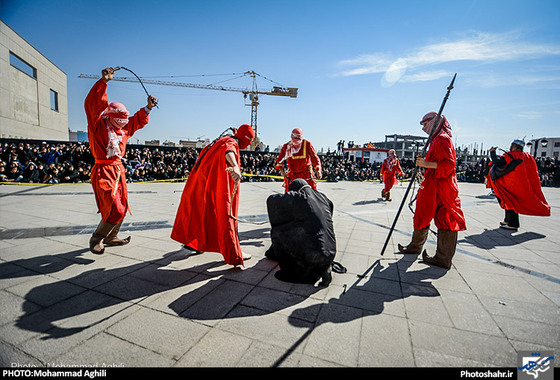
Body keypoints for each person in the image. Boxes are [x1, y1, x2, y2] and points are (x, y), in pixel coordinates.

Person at [85, 67, 157, 254]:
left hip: (118, 171)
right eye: (120, 120)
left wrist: (148, 107)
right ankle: (97, 238)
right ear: (110, 117)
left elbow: (136, 121)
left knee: (122, 206)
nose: (124, 123)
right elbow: (93, 105)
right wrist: (104, 82)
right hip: (104, 171)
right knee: (115, 207)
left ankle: (111, 236)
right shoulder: (97, 126)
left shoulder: (123, 128)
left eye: (125, 120)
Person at [171, 124, 255, 267]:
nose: (249, 145)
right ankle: (234, 252)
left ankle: (194, 243)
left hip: (199, 185)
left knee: (200, 214)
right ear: (246, 138)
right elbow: (229, 150)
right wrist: (235, 166)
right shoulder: (231, 142)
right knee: (225, 216)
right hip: (212, 186)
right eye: (250, 141)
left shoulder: (220, 140)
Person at [398, 112, 466, 269]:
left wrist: (426, 164)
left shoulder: (442, 138)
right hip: (433, 184)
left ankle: (443, 258)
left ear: (434, 122)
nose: (423, 128)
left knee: (445, 218)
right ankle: (416, 247)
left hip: (440, 185)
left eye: (425, 124)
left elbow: (449, 165)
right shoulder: (436, 139)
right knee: (423, 213)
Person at [265, 178, 339, 285]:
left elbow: (271, 199)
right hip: (330, 252)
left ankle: (314, 267)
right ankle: (324, 266)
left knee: (280, 231)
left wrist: (290, 195)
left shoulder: (299, 197)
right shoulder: (323, 197)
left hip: (312, 255)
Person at [487, 140, 550, 230]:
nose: (510, 146)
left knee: (510, 201)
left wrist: (492, 152)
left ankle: (513, 223)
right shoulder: (528, 156)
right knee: (511, 201)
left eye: (512, 145)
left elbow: (498, 162)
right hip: (521, 184)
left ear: (516, 147)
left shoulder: (512, 154)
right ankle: (507, 220)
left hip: (510, 183)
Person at [275, 128, 322, 192]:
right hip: (293, 176)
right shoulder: (287, 146)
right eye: (295, 138)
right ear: (291, 137)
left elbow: (315, 158)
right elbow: (280, 159)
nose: (297, 140)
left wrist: (318, 170)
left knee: (310, 196)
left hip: (307, 176)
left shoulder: (307, 144)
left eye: (299, 138)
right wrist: (282, 172)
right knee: (291, 198)